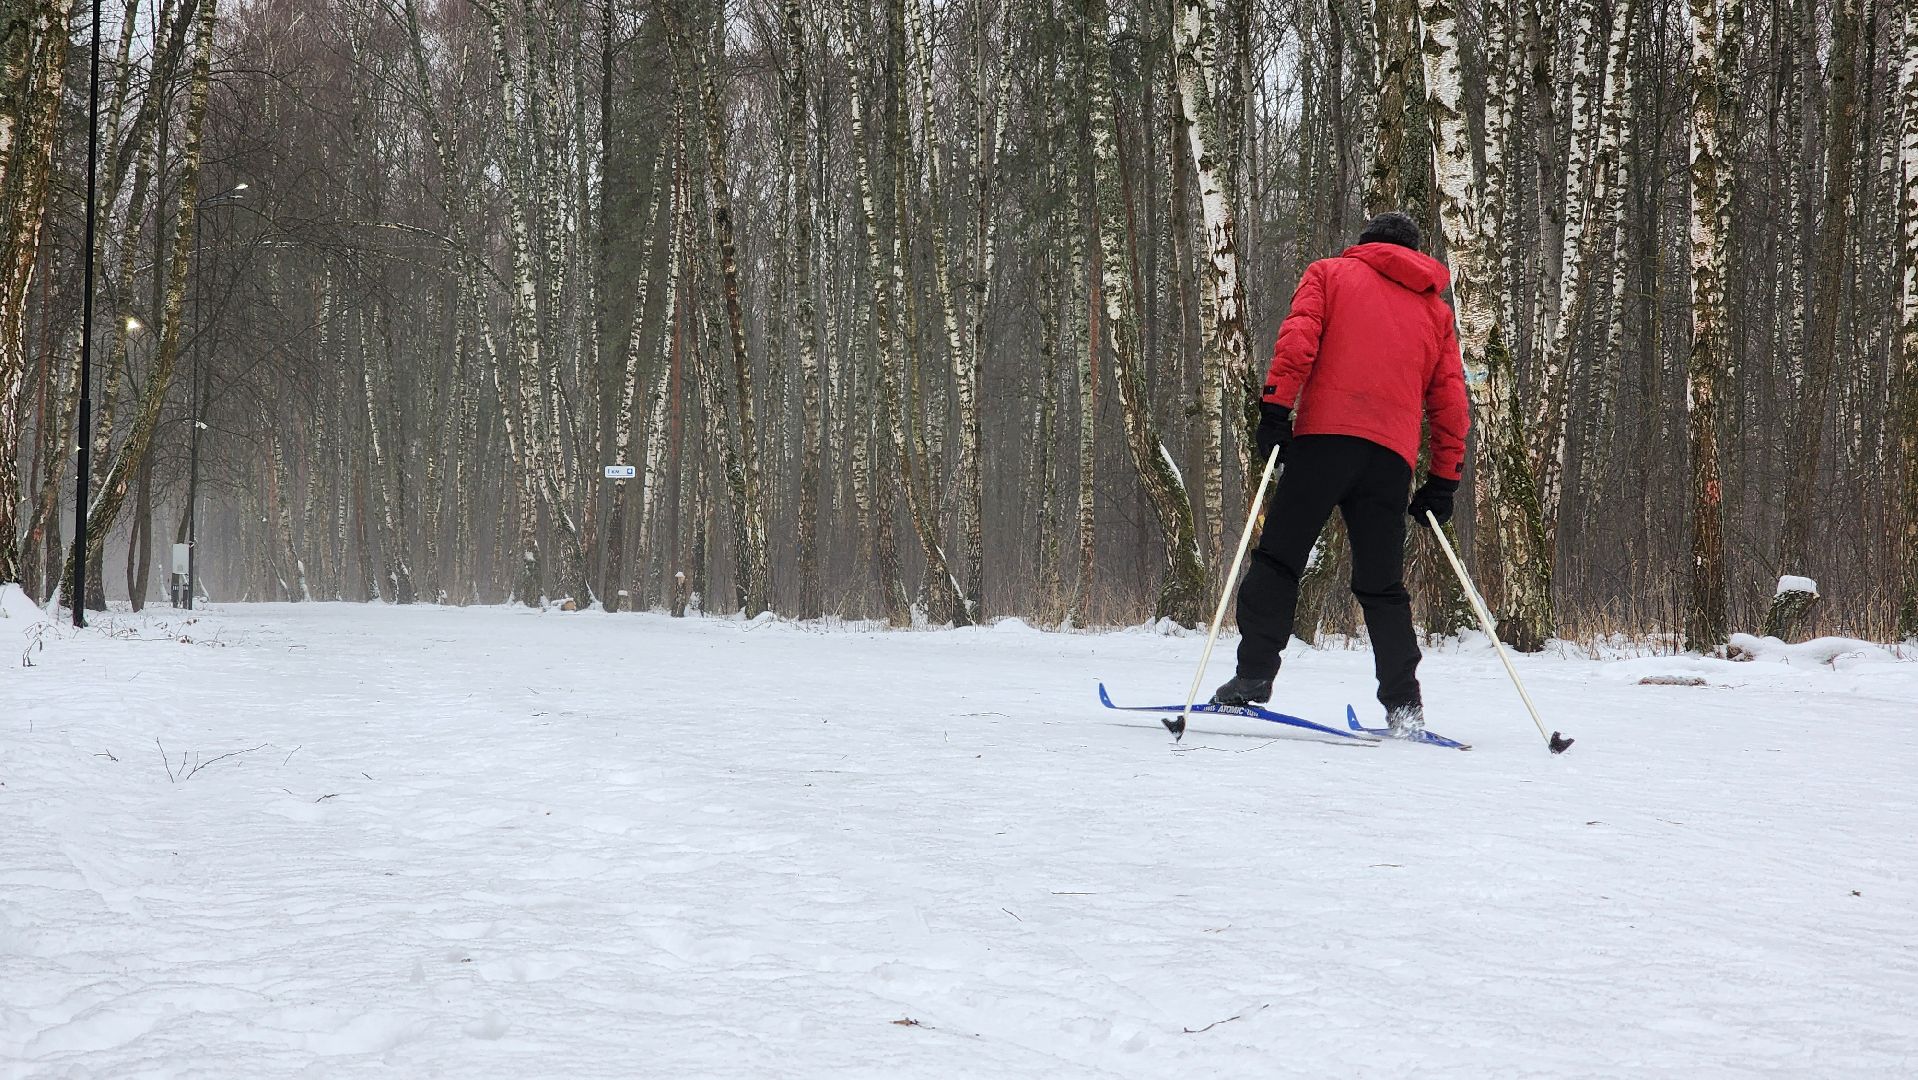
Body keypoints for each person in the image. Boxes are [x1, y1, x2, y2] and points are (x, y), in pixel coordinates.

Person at [1210, 211, 1470, 737]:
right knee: (1382, 586)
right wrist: (1443, 478)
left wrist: (1274, 411)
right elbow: (1449, 398)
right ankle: (1404, 705)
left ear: (1365, 244)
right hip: (1391, 459)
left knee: (1280, 558)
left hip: (1325, 440)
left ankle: (1253, 677)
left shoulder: (1330, 274)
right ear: (1415, 253)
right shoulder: (1435, 313)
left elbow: (1298, 342)